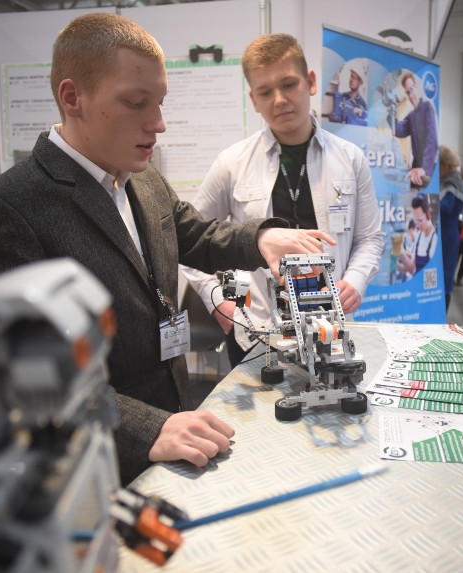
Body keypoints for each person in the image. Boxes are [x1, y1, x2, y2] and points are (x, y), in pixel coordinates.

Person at [0, 13, 336, 486]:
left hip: (176, 432)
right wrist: (144, 428)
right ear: (72, 97)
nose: (158, 124)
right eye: (136, 103)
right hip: (95, 465)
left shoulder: (142, 177)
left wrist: (261, 239)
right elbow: (15, 373)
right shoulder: (8, 207)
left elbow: (193, 235)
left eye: (159, 102)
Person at [182, 34, 383, 368]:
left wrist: (357, 282)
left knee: (331, 402)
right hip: (255, 329)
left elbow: (370, 238)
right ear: (253, 99)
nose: (279, 100)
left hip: (330, 323)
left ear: (311, 82)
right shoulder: (231, 164)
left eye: (289, 85)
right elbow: (188, 242)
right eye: (265, 92)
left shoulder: (351, 159)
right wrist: (220, 302)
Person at [387, 71, 438, 190]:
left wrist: (424, 168)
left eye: (412, 90)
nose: (410, 96)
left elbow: (432, 140)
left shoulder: (427, 108)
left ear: (417, 88)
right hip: (416, 165)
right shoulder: (412, 115)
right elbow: (399, 131)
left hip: (428, 167)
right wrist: (391, 113)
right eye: (407, 92)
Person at [437, 146, 463, 310]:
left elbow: (447, 208)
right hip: (446, 233)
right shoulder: (450, 180)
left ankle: (442, 314)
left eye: (438, 165)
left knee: (445, 278)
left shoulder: (452, 182)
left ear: (447, 166)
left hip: (447, 236)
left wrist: (428, 202)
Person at [396, 193, 437, 275]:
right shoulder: (418, 236)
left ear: (428, 215)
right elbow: (412, 268)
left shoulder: (435, 238)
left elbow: (433, 271)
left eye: (420, 220)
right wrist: (398, 252)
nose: (417, 225)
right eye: (416, 220)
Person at [325, 60, 369, 126]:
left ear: (360, 82)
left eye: (354, 78)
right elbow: (336, 118)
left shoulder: (362, 104)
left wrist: (354, 113)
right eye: (351, 76)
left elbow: (364, 124)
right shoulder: (341, 97)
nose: (351, 80)